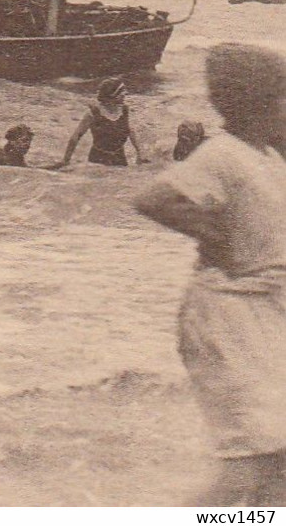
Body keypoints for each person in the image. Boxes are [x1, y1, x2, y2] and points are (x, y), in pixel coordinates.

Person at [133, 43, 286, 505]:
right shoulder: (223, 154)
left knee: (277, 458)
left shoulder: (267, 156)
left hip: (263, 314)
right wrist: (219, 240)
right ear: (256, 103)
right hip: (226, 314)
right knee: (251, 459)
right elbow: (155, 200)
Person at [55, 77, 145, 168]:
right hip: (97, 160)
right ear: (112, 96)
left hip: (119, 158)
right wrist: (66, 161)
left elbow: (130, 130)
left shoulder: (124, 110)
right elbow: (76, 136)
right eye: (122, 93)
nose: (125, 94)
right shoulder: (93, 113)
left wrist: (139, 153)